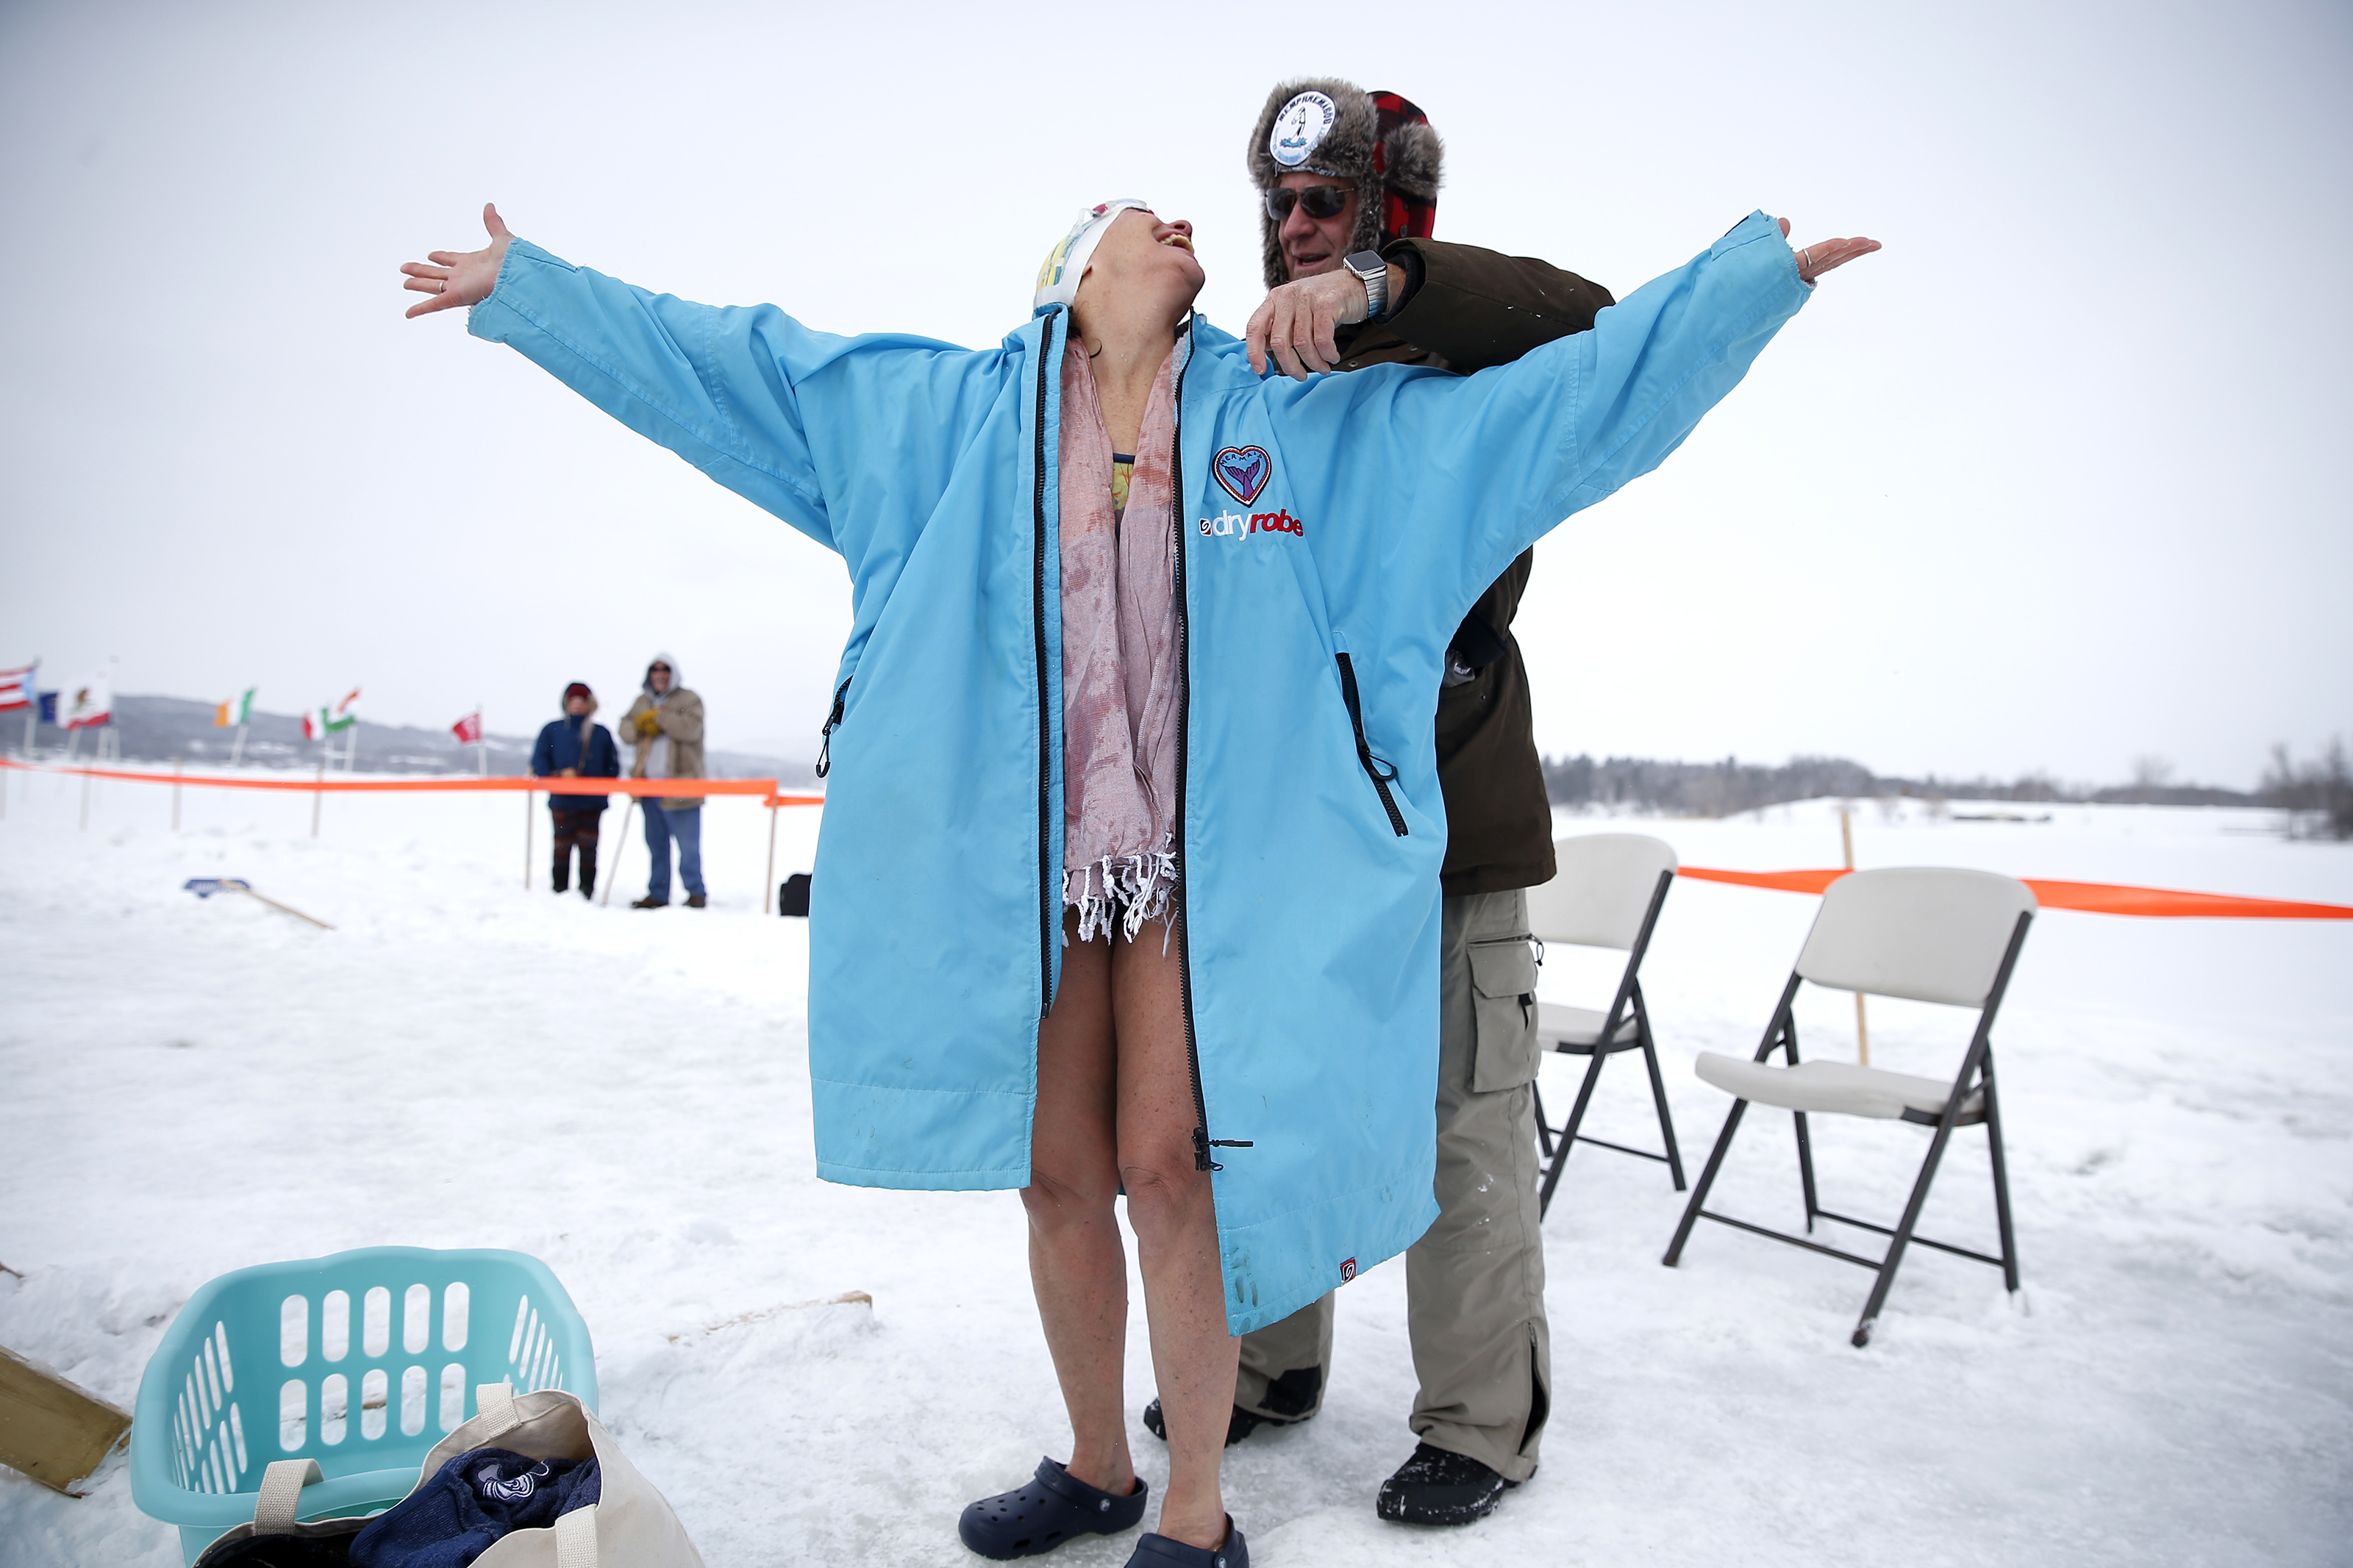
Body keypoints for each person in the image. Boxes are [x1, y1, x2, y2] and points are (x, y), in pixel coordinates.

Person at [401, 190, 1874, 1567]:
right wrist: (527, 290)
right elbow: (728, 370)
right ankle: (1098, 1462)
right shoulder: (941, 421)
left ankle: (1191, 1505)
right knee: (1055, 1182)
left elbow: (1554, 416)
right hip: (1030, 885)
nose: (1182, 220)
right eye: (1136, 211)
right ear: (1069, 278)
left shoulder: (1300, 429)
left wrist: (1742, 291)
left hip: (1194, 887)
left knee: (1170, 1173)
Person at [1138, 78, 1620, 1526]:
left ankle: (1479, 1422)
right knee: (1268, 1108)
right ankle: (1271, 1362)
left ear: (1391, 213)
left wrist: (1382, 289)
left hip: (1451, 843)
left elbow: (1593, 320)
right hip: (1286, 850)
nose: (1295, 227)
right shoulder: (1247, 388)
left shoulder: (1478, 372)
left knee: (1462, 1125)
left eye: (1328, 203)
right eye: (1281, 204)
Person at [618, 654, 707, 909]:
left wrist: (659, 719)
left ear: (673, 673)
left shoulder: (689, 699)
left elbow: (691, 729)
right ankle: (658, 893)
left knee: (688, 846)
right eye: (655, 670)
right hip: (648, 787)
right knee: (656, 844)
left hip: (682, 786)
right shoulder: (641, 702)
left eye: (665, 670)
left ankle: (696, 893)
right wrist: (640, 725)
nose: (660, 674)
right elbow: (625, 729)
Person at [531, 681, 621, 898]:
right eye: (573, 701)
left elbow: (613, 767)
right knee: (562, 847)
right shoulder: (553, 731)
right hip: (562, 800)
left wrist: (597, 783)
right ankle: (560, 890)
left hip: (592, 803)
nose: (577, 705)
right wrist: (556, 776)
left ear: (590, 704)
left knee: (589, 849)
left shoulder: (601, 734)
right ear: (566, 703)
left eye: (582, 701)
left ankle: (587, 891)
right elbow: (540, 760)